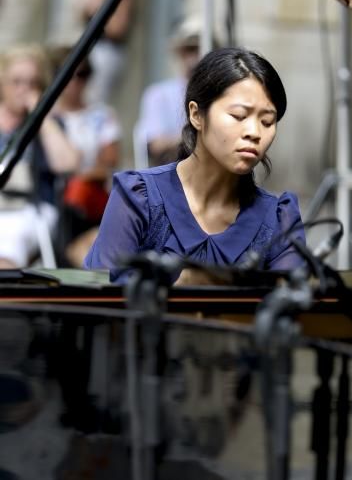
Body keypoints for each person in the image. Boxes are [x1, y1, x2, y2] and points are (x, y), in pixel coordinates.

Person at [84, 47, 305, 283]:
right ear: (196, 115)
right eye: (239, 116)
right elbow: (101, 303)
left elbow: (294, 309)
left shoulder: (279, 219)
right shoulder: (139, 198)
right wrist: (180, 291)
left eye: (267, 121)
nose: (254, 132)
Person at [0, 44, 80, 268]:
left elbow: (67, 164)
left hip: (31, 208)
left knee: (9, 242)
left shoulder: (51, 124)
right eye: (16, 82)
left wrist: (40, 116)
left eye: (32, 83)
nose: (24, 89)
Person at [49, 46, 122, 266]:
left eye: (81, 74)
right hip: (51, 196)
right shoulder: (45, 116)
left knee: (78, 191)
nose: (73, 82)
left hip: (88, 199)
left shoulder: (102, 115)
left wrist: (79, 176)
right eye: (67, 74)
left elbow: (108, 163)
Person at [136, 20, 202, 166]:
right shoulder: (158, 94)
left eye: (201, 48)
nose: (196, 56)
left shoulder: (221, 95)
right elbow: (156, 146)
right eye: (191, 48)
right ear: (180, 52)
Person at [78, 0, 132, 104]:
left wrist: (98, 11)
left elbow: (117, 29)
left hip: (107, 52)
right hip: (91, 50)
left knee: (97, 98)